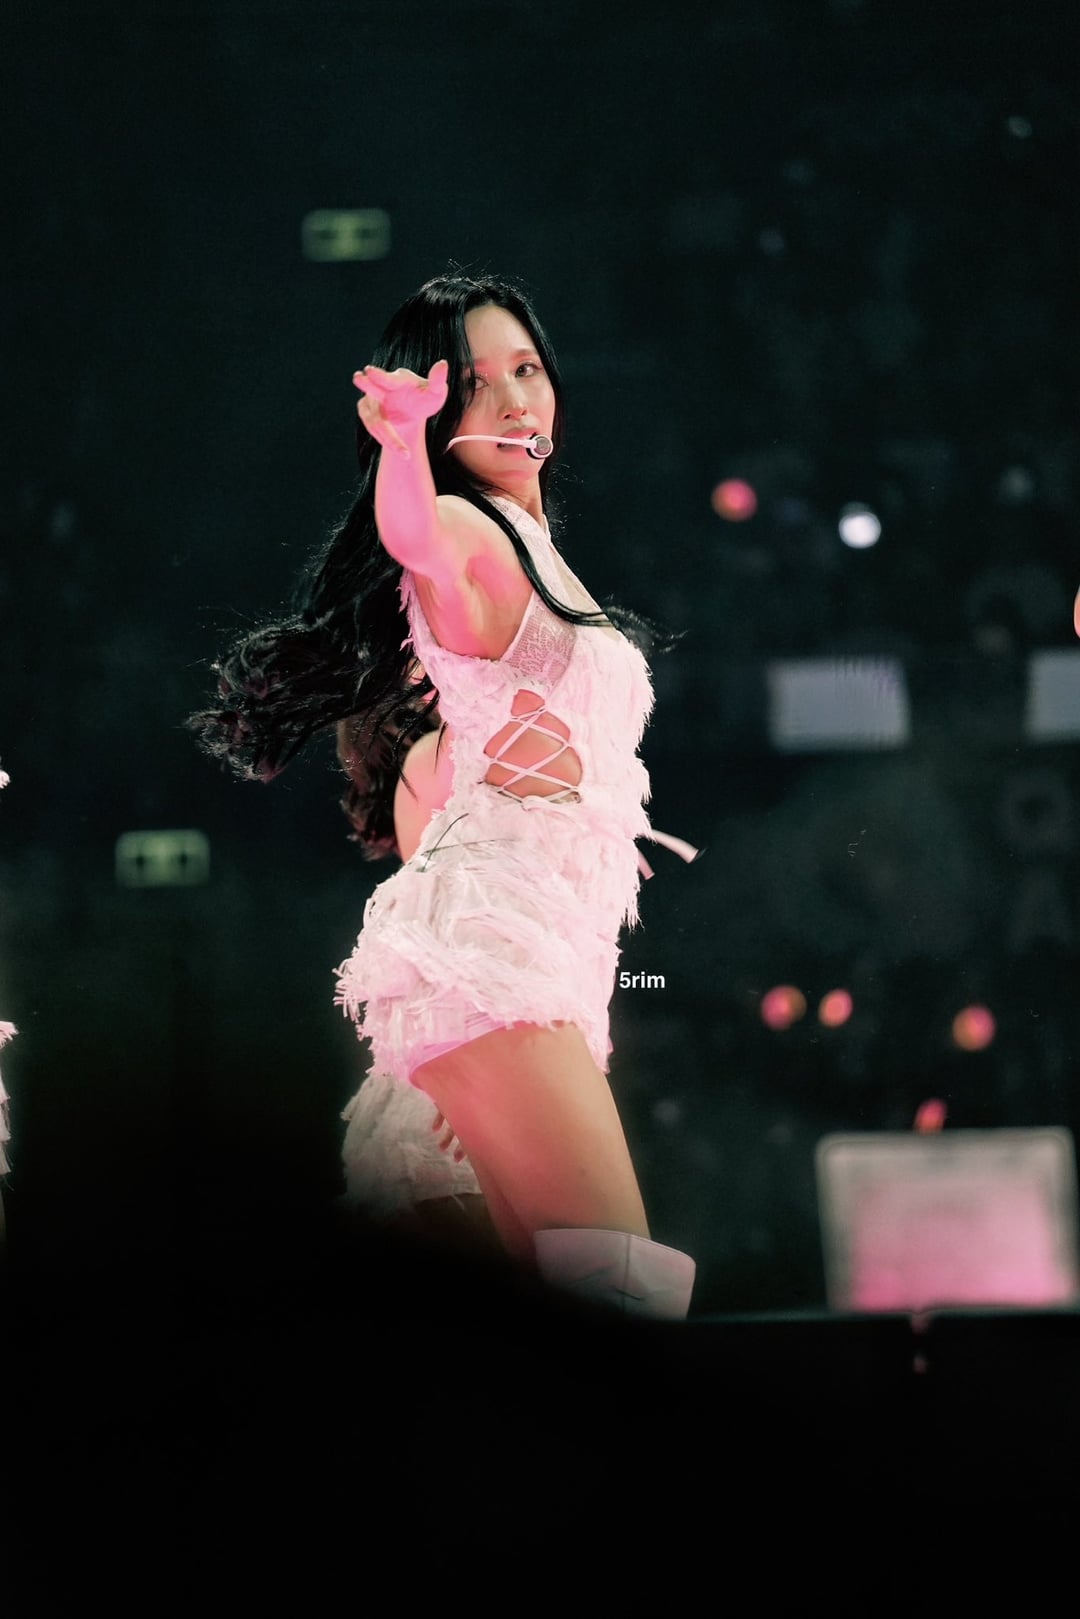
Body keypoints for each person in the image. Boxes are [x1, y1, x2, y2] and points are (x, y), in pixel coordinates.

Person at [188, 273, 697, 1317]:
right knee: (619, 1283)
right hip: (495, 944)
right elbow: (416, 539)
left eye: (527, 369)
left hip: (543, 956)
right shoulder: (468, 528)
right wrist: (402, 444)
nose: (513, 399)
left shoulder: (539, 548)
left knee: (574, 1299)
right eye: (474, 384)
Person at [334, 696, 497, 1255]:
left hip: (434, 1098)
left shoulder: (428, 790)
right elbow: (464, 937)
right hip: (457, 1102)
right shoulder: (441, 771)